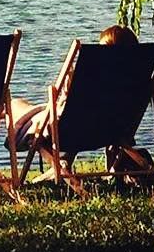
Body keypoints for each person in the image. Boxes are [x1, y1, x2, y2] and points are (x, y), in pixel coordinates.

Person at [10, 25, 139, 162]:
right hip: (112, 130)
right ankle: (67, 160)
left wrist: (67, 91)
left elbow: (71, 111)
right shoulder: (134, 82)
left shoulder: (94, 81)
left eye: (101, 50)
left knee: (15, 104)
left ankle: (61, 165)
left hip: (71, 130)